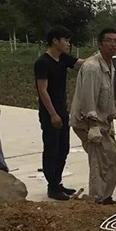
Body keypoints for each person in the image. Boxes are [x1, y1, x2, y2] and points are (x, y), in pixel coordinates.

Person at [34, 26, 84, 201]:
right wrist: (53, 114)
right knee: (51, 149)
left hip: (62, 111)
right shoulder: (43, 62)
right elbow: (43, 90)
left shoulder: (63, 58)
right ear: (55, 41)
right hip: (50, 113)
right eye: (66, 40)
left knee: (63, 148)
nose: (68, 44)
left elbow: (81, 64)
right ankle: (52, 186)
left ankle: (58, 182)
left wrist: (101, 56)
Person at [70, 28, 116, 204]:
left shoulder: (109, 66)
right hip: (88, 123)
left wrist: (110, 121)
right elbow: (88, 98)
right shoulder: (92, 68)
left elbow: (108, 96)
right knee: (99, 161)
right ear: (100, 44)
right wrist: (93, 126)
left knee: (111, 159)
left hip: (102, 122)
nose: (113, 44)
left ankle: (105, 197)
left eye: (115, 41)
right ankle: (97, 200)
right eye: (108, 41)